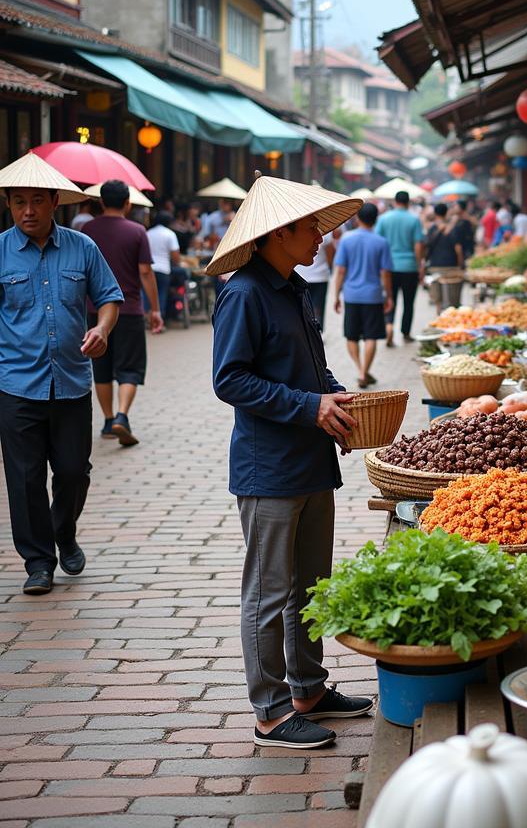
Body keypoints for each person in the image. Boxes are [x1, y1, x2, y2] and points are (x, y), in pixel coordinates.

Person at [210, 175, 372, 750]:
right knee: (269, 591)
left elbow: (313, 368)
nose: (322, 239)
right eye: (311, 229)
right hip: (269, 467)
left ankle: (308, 689)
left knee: (311, 585)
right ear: (279, 233)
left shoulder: (294, 288)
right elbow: (229, 380)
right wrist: (311, 406)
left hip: (309, 459)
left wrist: (337, 399)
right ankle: (272, 712)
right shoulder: (245, 293)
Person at [0, 153, 123, 595]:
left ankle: (64, 531)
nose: (27, 211)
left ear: (56, 202)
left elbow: (109, 297)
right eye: (18, 203)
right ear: (9, 205)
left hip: (70, 381)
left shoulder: (82, 246)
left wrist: (102, 329)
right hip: (15, 384)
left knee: (74, 471)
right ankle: (38, 561)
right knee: (24, 477)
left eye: (36, 201)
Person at [83, 180, 164, 447]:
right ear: (128, 203)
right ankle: (122, 415)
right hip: (128, 309)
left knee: (101, 367)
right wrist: (155, 308)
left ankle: (107, 420)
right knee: (129, 367)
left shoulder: (87, 230)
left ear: (102, 202)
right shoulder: (137, 231)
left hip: (94, 311)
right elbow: (145, 271)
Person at [332, 203, 394, 388]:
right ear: (376, 219)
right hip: (373, 295)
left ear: (357, 218)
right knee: (371, 336)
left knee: (351, 336)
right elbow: (385, 273)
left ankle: (360, 370)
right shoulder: (381, 242)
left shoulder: (346, 239)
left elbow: (340, 270)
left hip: (351, 295)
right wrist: (388, 295)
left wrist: (336, 295)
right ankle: (365, 371)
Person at [375, 190, 423, 345]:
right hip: (409, 267)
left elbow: (378, 243)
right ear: (408, 202)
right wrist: (419, 266)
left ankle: (388, 327)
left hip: (389, 268)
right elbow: (418, 245)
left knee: (390, 298)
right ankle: (406, 332)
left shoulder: (383, 219)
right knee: (409, 303)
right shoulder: (414, 220)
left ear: (395, 202)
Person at [294, 228, 338, 330]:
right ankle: (316, 331)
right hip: (319, 275)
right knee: (317, 307)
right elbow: (330, 251)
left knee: (303, 307)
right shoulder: (325, 231)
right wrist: (329, 267)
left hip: (304, 274)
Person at [146, 212, 182, 319]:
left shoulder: (148, 233)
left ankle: (147, 318)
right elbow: (176, 257)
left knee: (148, 294)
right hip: (163, 269)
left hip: (149, 268)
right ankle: (159, 319)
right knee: (161, 294)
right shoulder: (170, 234)